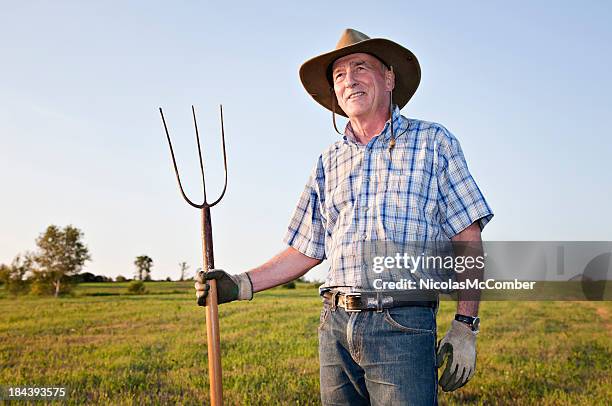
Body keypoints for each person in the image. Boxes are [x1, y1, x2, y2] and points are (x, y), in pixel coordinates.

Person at [195, 28, 493, 405]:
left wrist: (465, 325)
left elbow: (467, 237)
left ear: (388, 78)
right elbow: (305, 248)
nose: (349, 80)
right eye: (339, 75)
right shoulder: (329, 160)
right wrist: (239, 284)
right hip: (334, 326)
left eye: (360, 67)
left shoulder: (433, 142)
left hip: (402, 324)